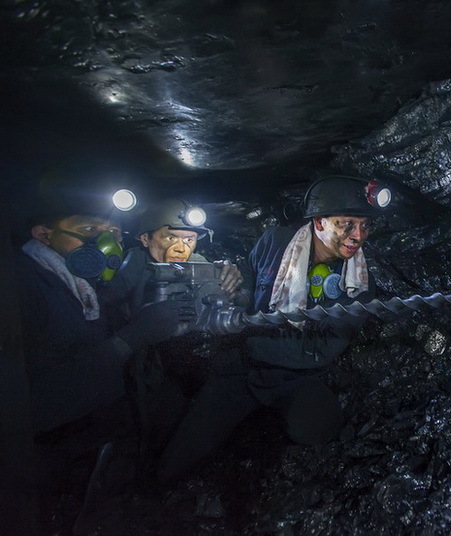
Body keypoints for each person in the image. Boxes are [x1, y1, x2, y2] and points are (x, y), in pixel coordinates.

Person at [156, 175, 390, 483]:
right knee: (178, 459)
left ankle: (264, 434)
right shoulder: (275, 241)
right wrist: (235, 290)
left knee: (320, 427)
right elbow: (250, 289)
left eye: (365, 226)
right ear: (319, 222)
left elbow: (321, 353)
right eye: (347, 224)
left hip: (294, 376)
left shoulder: (359, 286)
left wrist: (252, 340)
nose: (357, 235)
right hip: (241, 370)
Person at [15, 195, 188, 434]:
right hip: (55, 447)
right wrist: (130, 339)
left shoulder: (82, 283)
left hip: (96, 428)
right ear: (44, 235)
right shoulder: (21, 288)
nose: (107, 242)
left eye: (114, 232)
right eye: (88, 228)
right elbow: (32, 405)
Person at [103, 198, 247, 326]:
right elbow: (105, 303)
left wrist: (232, 287)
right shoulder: (134, 261)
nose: (181, 248)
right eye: (171, 238)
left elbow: (240, 302)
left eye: (189, 239)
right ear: (145, 239)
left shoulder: (200, 263)